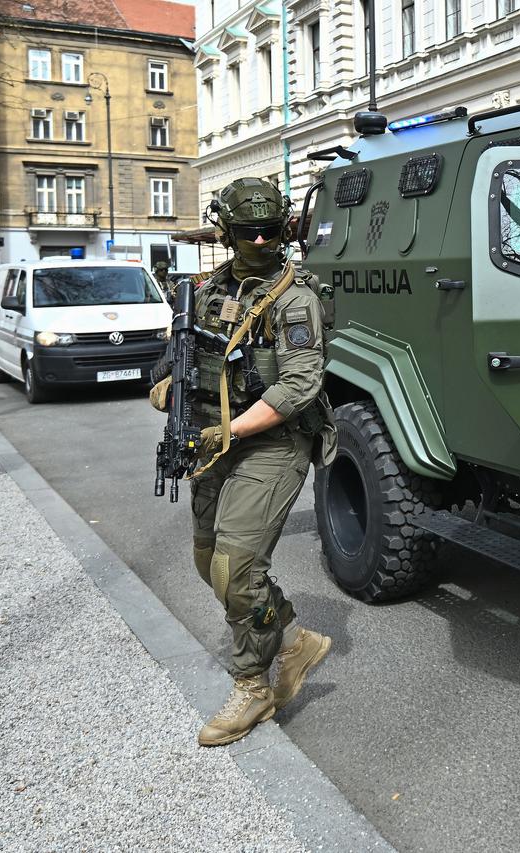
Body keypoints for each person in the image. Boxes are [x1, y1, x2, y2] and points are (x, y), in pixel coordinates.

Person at [150, 177, 336, 746]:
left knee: (235, 570)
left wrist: (229, 429)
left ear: (283, 230)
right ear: (226, 231)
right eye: (248, 230)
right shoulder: (203, 292)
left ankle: (252, 684)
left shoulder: (294, 297)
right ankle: (293, 637)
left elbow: (301, 384)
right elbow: (168, 364)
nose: (259, 239)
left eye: (269, 230)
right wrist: (164, 388)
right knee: (210, 566)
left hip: (272, 443)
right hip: (211, 440)